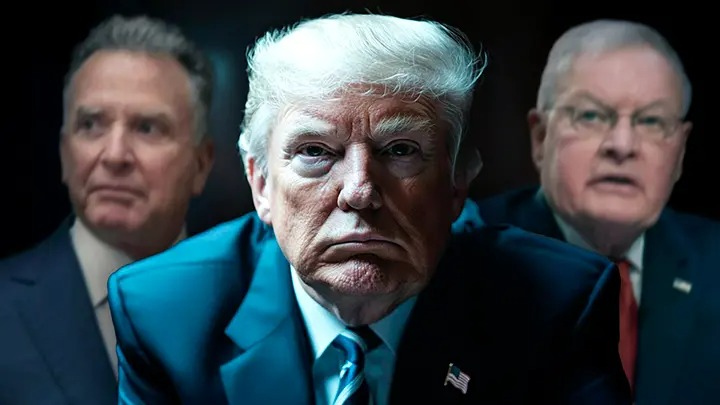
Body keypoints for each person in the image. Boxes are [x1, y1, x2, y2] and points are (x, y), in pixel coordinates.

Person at [108, 13, 631, 404]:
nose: (359, 191)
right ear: (260, 183)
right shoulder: (166, 312)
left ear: (456, 186)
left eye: (400, 150)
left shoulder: (558, 304)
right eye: (316, 151)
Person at [458, 19, 720, 404]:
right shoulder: (462, 257)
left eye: (651, 121)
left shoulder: (714, 264)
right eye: (592, 116)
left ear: (679, 152)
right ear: (540, 137)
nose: (622, 145)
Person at [0, 15, 214, 404]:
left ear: (201, 164)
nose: (115, 156)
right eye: (91, 125)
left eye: (147, 128)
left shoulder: (263, 309)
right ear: (65, 154)